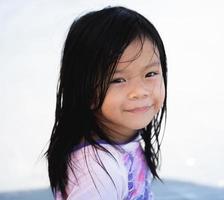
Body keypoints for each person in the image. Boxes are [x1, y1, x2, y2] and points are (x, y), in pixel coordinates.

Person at [45, 6, 167, 200]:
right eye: (118, 80)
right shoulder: (99, 172)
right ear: (85, 90)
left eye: (150, 74)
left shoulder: (122, 139)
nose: (140, 92)